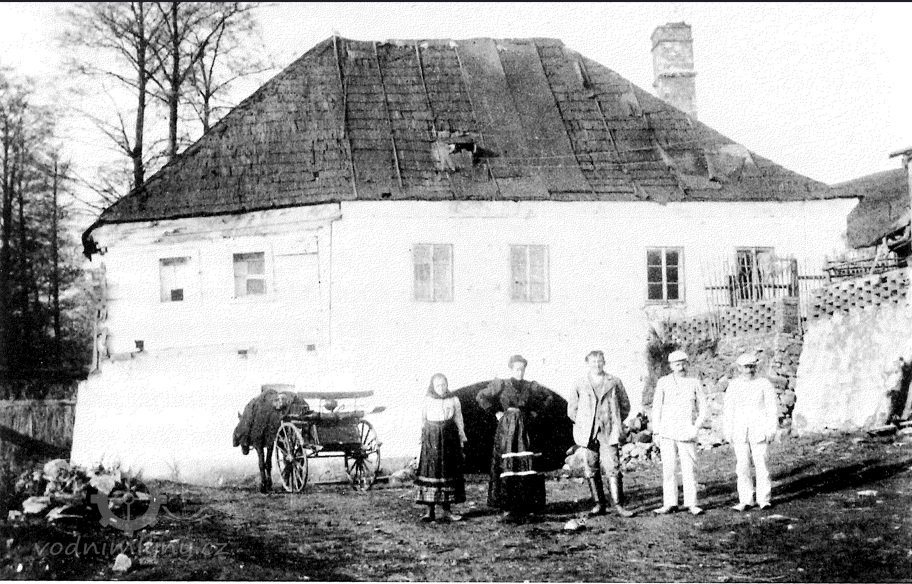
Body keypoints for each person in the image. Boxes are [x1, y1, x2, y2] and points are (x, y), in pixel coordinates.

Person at [476, 354, 553, 522]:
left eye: (522, 369)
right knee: (508, 465)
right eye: (517, 369)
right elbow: (481, 396)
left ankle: (529, 506)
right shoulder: (501, 384)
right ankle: (508, 507)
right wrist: (496, 412)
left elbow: (548, 397)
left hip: (525, 430)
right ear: (511, 369)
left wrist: (535, 412)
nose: (520, 372)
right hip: (507, 430)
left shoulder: (531, 386)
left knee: (526, 464)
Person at [567, 350, 635, 518]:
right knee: (591, 466)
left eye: (599, 361)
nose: (597, 364)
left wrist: (614, 421)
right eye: (593, 361)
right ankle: (599, 504)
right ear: (588, 363)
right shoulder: (580, 383)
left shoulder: (614, 381)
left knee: (613, 466)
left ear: (604, 362)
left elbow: (625, 406)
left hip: (608, 431)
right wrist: (584, 424)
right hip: (588, 433)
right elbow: (572, 409)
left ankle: (618, 505)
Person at [651, 350, 708, 516]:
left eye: (683, 363)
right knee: (669, 469)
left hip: (686, 432)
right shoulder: (663, 382)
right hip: (667, 431)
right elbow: (657, 407)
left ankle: (692, 503)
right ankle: (670, 503)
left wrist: (695, 426)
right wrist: (656, 431)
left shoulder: (694, 382)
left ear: (687, 364)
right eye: (677, 364)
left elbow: (704, 408)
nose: (681, 367)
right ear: (671, 366)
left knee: (689, 469)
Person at [722, 352, 779, 512]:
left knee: (762, 465)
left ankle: (764, 499)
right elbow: (728, 410)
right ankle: (746, 500)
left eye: (752, 367)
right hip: (740, 431)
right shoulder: (734, 385)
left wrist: (771, 429)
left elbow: (772, 408)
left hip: (759, 429)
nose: (749, 370)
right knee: (742, 467)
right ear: (739, 368)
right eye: (746, 367)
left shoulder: (764, 383)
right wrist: (728, 430)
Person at [415, 373, 468, 523]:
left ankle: (447, 511)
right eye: (438, 385)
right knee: (431, 471)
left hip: (449, 438)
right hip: (431, 439)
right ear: (433, 386)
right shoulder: (427, 400)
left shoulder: (453, 400)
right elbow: (421, 420)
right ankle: (429, 512)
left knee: (447, 472)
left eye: (444, 384)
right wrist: (420, 439)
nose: (441, 388)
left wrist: (461, 437)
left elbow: (459, 419)